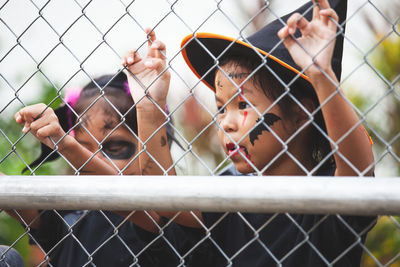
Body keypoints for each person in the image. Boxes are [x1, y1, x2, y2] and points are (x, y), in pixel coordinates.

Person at [123, 0, 376, 266]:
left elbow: (357, 168)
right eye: (221, 108)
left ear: (301, 113)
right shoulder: (230, 195)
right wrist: (149, 110)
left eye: (243, 105)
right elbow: (163, 199)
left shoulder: (329, 196)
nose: (226, 124)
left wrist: (321, 74)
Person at [10, 67, 182, 266]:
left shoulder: (158, 218)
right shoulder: (70, 216)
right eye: (83, 148)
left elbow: (142, 213)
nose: (95, 159)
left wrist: (66, 145)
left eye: (114, 147)